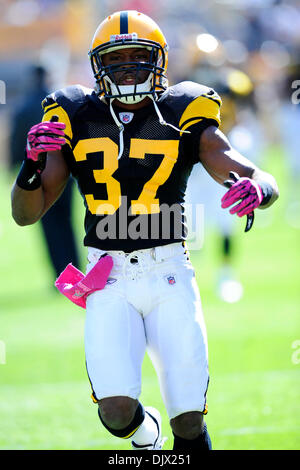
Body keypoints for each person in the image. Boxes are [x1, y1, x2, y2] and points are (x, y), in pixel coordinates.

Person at [11, 11, 279, 451]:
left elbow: (249, 169)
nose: (129, 68)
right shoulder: (75, 113)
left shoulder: (182, 109)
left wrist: (261, 187)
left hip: (169, 269)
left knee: (190, 420)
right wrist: (30, 168)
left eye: (139, 57)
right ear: (99, 66)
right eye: (117, 60)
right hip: (107, 276)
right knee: (115, 411)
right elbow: (26, 214)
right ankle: (146, 434)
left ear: (160, 61)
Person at [9, 64, 80, 280]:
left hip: (38, 173)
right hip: (63, 172)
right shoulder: (58, 105)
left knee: (49, 226)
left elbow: (16, 140)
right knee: (67, 222)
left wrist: (17, 166)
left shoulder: (24, 107)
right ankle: (74, 267)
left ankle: (60, 273)